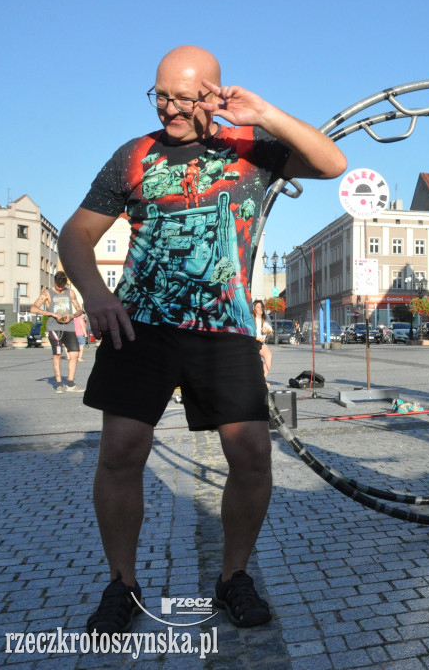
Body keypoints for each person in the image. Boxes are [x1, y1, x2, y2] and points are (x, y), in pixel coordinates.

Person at [58, 45, 348, 634]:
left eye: (183, 98)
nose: (169, 109)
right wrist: (96, 295)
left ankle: (232, 576)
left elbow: (331, 163)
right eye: (160, 95)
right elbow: (74, 235)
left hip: (225, 328)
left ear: (213, 94)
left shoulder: (252, 148)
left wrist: (264, 113)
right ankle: (122, 584)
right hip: (139, 326)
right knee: (119, 454)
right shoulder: (135, 156)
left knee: (251, 456)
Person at [30, 271, 87, 393]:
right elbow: (33, 308)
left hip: (69, 327)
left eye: (62, 287)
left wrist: (71, 316)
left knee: (75, 355)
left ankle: (70, 384)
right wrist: (52, 314)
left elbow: (79, 310)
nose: (60, 289)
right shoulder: (47, 293)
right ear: (54, 282)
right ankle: (59, 383)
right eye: (58, 287)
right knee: (57, 355)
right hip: (54, 328)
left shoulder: (70, 292)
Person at [252, 300, 273, 377]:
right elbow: (246, 333)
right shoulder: (250, 317)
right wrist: (257, 338)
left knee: (269, 356)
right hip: (250, 342)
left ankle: (262, 379)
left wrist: (267, 331)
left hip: (260, 343)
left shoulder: (266, 317)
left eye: (262, 307)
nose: (260, 308)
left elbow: (271, 333)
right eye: (258, 307)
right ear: (254, 309)